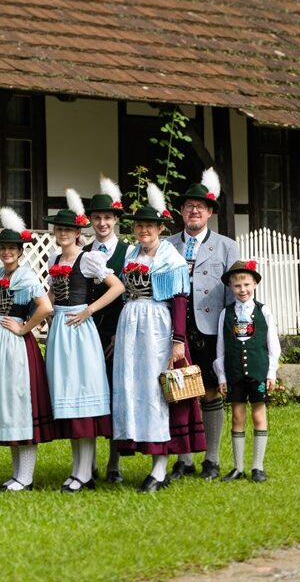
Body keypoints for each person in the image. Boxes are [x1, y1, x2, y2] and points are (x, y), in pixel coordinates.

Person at [112, 184, 205, 493]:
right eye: (139, 226)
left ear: (160, 228)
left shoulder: (170, 258)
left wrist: (178, 341)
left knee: (157, 393)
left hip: (156, 329)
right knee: (133, 388)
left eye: (149, 226)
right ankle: (139, 450)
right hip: (131, 328)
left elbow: (180, 300)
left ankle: (160, 469)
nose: (143, 231)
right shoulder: (130, 254)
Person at [43, 190, 125, 493]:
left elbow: (116, 286)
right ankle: (79, 469)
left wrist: (89, 310)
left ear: (78, 233)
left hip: (80, 331)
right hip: (60, 331)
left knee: (83, 397)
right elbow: (52, 293)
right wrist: (43, 314)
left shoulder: (89, 258)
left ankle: (84, 474)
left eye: (68, 230)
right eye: (59, 230)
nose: (63, 234)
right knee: (67, 397)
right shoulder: (54, 259)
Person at [0, 207, 57, 492]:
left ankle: (26, 477)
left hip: (16, 346)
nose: (7, 252)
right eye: (3, 248)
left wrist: (25, 329)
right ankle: (17, 474)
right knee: (10, 407)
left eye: (12, 248)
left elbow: (45, 307)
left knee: (21, 405)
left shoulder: (24, 276)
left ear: (21, 251)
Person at [169, 168, 239, 481]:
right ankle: (183, 459)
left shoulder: (226, 246)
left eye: (200, 206)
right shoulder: (167, 244)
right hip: (173, 329)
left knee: (210, 391)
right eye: (188, 206)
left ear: (209, 212)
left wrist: (231, 334)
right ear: (181, 212)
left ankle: (211, 459)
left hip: (209, 328)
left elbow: (233, 291)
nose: (194, 210)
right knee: (179, 391)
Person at [82, 176, 131, 482]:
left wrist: (120, 334)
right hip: (86, 334)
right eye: (97, 218)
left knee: (114, 396)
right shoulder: (82, 250)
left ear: (115, 220)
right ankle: (88, 463)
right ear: (91, 221)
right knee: (88, 394)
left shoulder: (128, 252)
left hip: (116, 332)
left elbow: (131, 296)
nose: (102, 223)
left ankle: (114, 463)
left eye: (107, 218)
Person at [214, 260, 280, 483]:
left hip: (258, 372)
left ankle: (257, 467)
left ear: (254, 285)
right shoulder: (226, 314)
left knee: (258, 415)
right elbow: (221, 348)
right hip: (234, 374)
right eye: (237, 286)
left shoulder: (264, 311)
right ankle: (238, 467)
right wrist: (222, 376)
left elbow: (273, 346)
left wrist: (271, 373)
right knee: (237, 418)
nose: (242, 290)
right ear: (231, 288)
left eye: (246, 285)